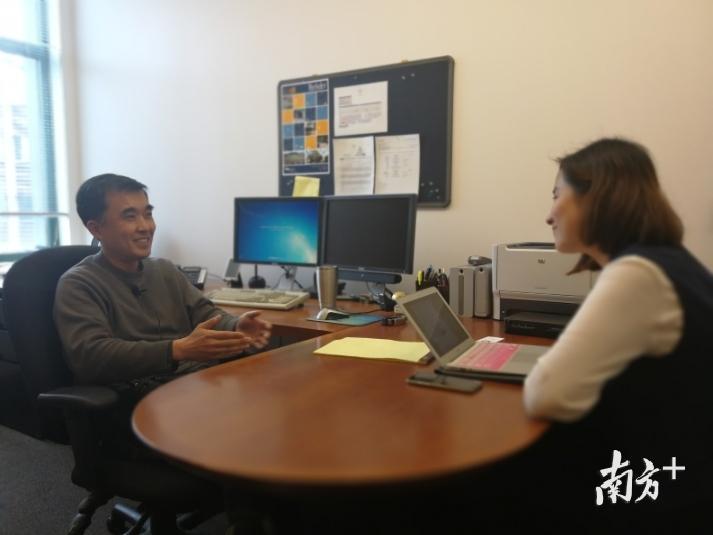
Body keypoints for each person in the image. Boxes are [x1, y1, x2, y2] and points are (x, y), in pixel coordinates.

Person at [514, 138, 713, 531]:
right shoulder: (670, 261)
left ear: (597, 198)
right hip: (683, 474)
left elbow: (547, 395)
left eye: (557, 195)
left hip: (652, 494)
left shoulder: (638, 274)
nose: (549, 215)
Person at [54, 172, 272, 392]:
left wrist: (235, 326)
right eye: (130, 217)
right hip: (137, 393)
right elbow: (91, 356)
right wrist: (176, 350)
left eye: (148, 214)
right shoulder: (78, 284)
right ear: (96, 229)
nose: (145, 226)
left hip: (195, 381)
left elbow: (205, 313)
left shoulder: (164, 270)